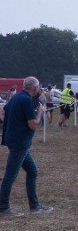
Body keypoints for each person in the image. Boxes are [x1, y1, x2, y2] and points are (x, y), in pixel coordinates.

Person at [0, 77, 53, 217]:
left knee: (32, 171)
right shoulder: (27, 100)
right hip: (20, 142)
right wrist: (40, 111)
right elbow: (33, 124)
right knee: (10, 176)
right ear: (35, 88)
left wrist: (13, 123)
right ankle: (3, 207)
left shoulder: (17, 96)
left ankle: (35, 206)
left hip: (14, 140)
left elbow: (3, 111)